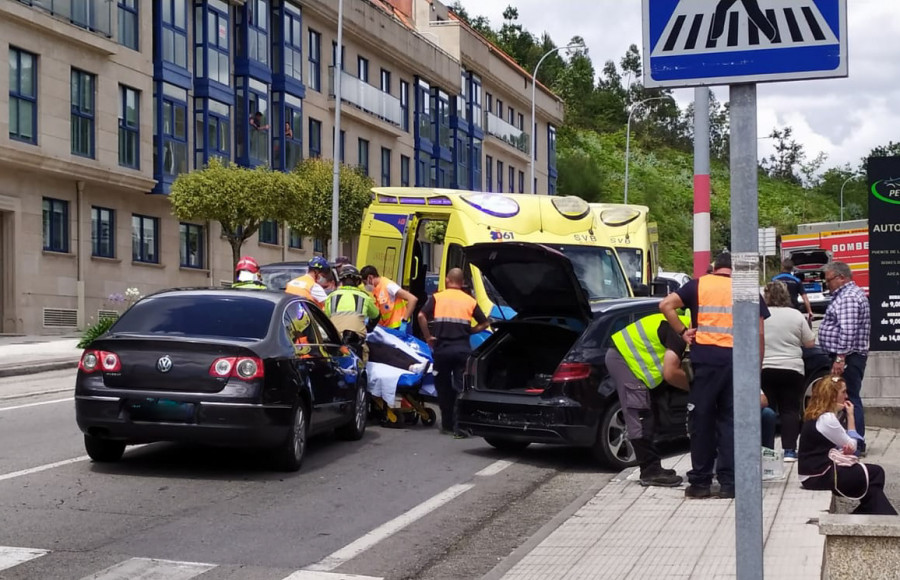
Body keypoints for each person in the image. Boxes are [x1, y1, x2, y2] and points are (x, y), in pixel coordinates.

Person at [660, 251, 770, 499]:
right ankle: (730, 483)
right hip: (738, 363)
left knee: (702, 421)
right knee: (731, 422)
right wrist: (756, 367)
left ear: (714, 267)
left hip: (706, 362)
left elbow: (665, 305)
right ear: (735, 271)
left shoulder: (698, 284)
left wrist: (683, 331)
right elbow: (760, 333)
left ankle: (700, 483)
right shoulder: (746, 289)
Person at [606, 314, 690, 487]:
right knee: (640, 416)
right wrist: (695, 389)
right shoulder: (677, 329)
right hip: (624, 360)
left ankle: (654, 467)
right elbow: (670, 372)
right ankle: (649, 471)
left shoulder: (682, 322)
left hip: (633, 363)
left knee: (653, 413)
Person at [798, 375, 897, 515]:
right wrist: (851, 417)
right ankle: (874, 514)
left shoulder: (816, 415)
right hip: (819, 475)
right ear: (832, 396)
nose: (847, 396)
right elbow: (854, 446)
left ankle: (881, 514)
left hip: (812, 473)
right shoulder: (827, 419)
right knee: (876, 473)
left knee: (873, 483)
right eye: (843, 392)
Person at [418, 267, 490, 437]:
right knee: (460, 387)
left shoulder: (437, 297)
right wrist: (471, 331)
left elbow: (421, 316)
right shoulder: (469, 300)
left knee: (442, 386)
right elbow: (485, 323)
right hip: (462, 349)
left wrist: (428, 337)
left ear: (448, 280)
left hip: (442, 349)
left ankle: (447, 424)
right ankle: (459, 427)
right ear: (462, 281)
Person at [818, 261, 870, 456]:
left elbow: (847, 331)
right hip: (850, 355)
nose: (827, 284)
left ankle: (855, 442)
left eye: (829, 280)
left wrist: (840, 358)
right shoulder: (848, 294)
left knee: (848, 397)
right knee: (847, 397)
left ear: (841, 278)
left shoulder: (848, 297)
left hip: (848, 356)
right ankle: (851, 440)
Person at [761, 280, 816, 460]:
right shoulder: (795, 315)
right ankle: (790, 451)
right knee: (790, 410)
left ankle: (766, 451)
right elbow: (809, 342)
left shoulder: (760, 315)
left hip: (765, 368)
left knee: (766, 410)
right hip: (792, 368)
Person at [325, 265, 379, 364]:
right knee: (361, 366)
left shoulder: (331, 297)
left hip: (335, 339)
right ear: (358, 282)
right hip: (356, 341)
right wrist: (369, 327)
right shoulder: (364, 297)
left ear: (341, 282)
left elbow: (326, 317)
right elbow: (376, 315)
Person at [361, 265, 418, 334]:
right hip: (389, 329)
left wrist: (404, 321)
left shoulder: (388, 286)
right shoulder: (376, 289)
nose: (365, 286)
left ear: (370, 278)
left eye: (365, 283)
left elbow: (412, 299)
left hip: (400, 327)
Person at [772, 259, 814, 324]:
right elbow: (805, 298)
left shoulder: (774, 279)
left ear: (782, 267)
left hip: (778, 309)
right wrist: (809, 311)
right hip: (793, 309)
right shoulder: (796, 280)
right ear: (792, 269)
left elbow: (769, 295)